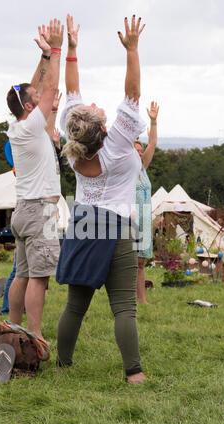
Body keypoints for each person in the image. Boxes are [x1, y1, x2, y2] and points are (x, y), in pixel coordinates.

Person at [56, 14, 146, 384]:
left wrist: (72, 52)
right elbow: (133, 93)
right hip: (116, 226)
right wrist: (133, 49)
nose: (92, 104)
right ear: (102, 128)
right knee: (123, 307)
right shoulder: (120, 145)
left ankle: (62, 365)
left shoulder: (74, 144)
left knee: (75, 306)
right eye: (94, 110)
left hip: (82, 223)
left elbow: (73, 92)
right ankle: (134, 375)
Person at [6, 18, 64, 352]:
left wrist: (42, 58)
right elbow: (50, 90)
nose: (39, 95)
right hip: (40, 210)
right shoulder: (31, 126)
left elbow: (28, 89)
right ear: (30, 107)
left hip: (23, 210)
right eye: (34, 97)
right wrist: (56, 50)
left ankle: (13, 328)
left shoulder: (18, 125)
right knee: (38, 278)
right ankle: (35, 336)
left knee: (22, 275)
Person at [135, 101, 159, 304]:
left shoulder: (142, 170)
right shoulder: (124, 172)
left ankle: (141, 299)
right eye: (135, 150)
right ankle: (125, 299)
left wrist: (153, 122)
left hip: (144, 222)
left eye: (140, 150)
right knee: (126, 264)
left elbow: (152, 145)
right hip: (128, 223)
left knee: (141, 262)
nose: (139, 152)